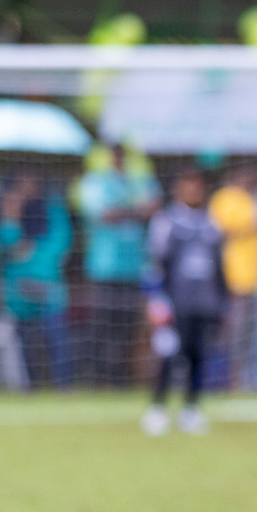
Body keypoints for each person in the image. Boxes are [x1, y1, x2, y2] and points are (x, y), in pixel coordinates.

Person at [142, 169, 227, 436]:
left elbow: (219, 267)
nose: (193, 191)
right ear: (178, 189)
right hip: (173, 303)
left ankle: (191, 408)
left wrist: (222, 301)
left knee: (197, 356)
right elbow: (155, 264)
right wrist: (156, 300)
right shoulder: (166, 222)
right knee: (168, 355)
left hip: (203, 303)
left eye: (198, 186)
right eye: (188, 185)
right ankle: (158, 408)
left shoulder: (211, 225)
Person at [76, 144, 160, 388]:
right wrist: (135, 211)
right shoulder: (95, 182)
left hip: (133, 267)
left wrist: (125, 211)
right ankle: (98, 379)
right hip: (104, 268)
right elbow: (104, 214)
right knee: (102, 325)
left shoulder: (139, 180)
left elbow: (153, 207)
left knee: (127, 327)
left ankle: (121, 379)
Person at [0, 170, 73, 389]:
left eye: (31, 181)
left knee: (57, 337)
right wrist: (11, 213)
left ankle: (63, 386)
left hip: (49, 284)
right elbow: (10, 243)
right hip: (19, 288)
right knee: (26, 340)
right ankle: (31, 386)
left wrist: (33, 258)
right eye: (22, 183)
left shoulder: (53, 210)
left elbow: (61, 244)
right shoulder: (11, 210)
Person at [208, 164, 257, 390]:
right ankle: (231, 380)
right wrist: (255, 227)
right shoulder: (224, 198)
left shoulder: (254, 198)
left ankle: (247, 380)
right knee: (234, 332)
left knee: (251, 334)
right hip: (234, 277)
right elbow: (220, 231)